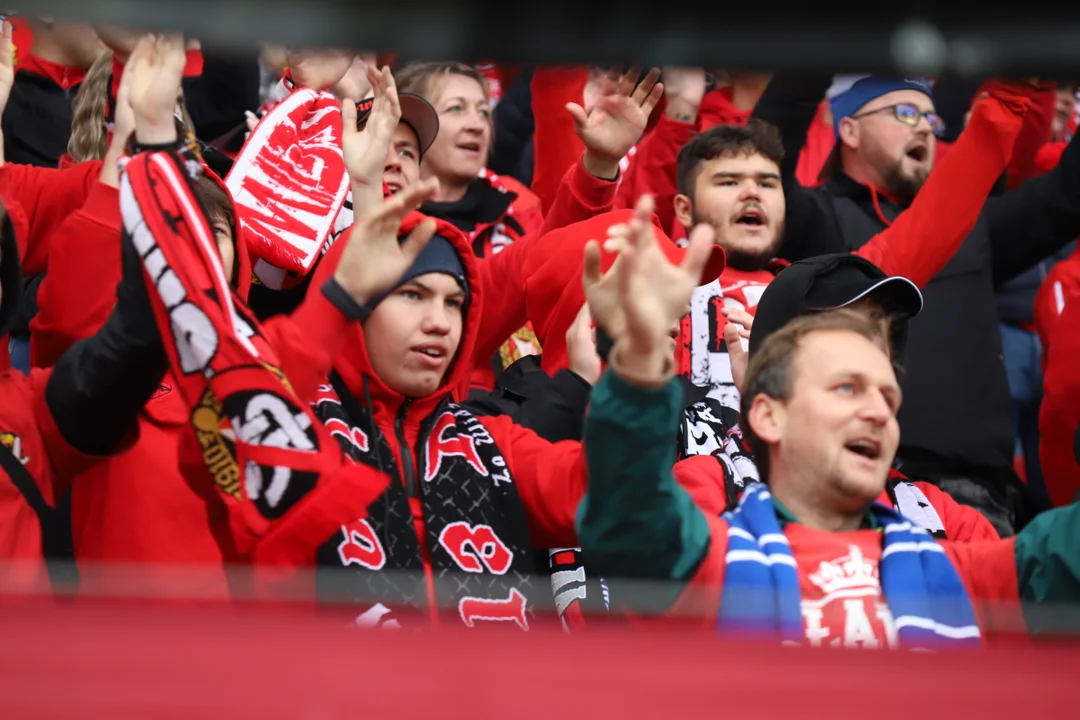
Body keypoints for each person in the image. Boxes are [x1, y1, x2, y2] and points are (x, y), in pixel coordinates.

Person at [574, 219, 1080, 644]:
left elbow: (1057, 557)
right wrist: (638, 367)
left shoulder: (952, 546)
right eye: (846, 387)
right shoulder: (711, 526)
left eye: (888, 395)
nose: (879, 412)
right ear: (768, 412)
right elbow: (629, 522)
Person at [753, 74, 1077, 535]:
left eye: (930, 117)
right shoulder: (815, 218)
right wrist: (817, 46)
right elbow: (762, 159)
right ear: (848, 129)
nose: (925, 127)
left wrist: (1022, 85)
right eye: (905, 114)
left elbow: (1065, 195)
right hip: (871, 482)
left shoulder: (973, 224)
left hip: (984, 496)